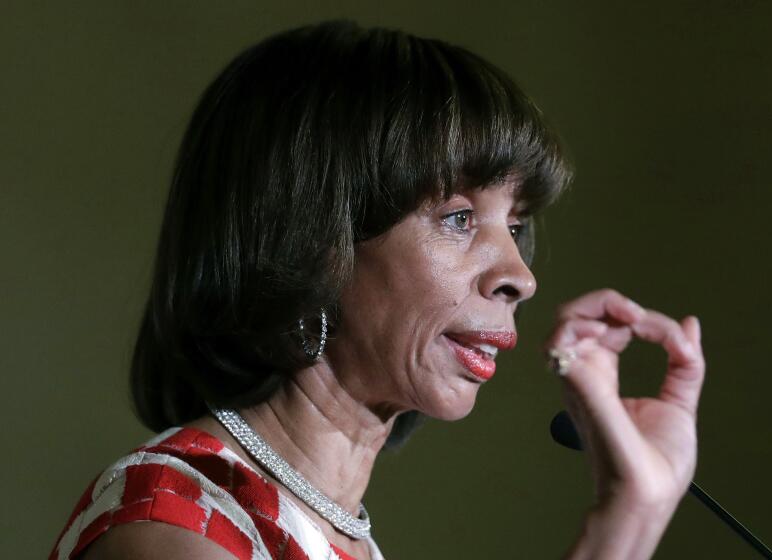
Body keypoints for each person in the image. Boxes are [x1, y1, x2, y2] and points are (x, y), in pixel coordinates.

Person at [50, 20, 706, 560]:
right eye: (458, 217)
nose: (520, 276)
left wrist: (635, 508)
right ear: (311, 235)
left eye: (516, 224)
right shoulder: (177, 528)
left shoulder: (330, 534)